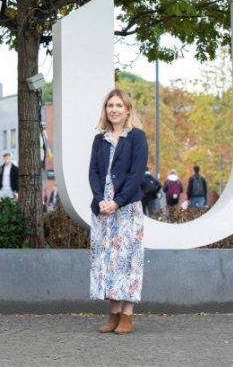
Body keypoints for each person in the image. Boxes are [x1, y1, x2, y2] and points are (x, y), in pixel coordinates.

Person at [89, 88, 147, 335]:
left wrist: (118, 201)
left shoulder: (137, 137)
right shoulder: (99, 139)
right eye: (110, 105)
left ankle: (127, 315)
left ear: (127, 110)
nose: (114, 109)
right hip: (104, 211)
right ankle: (113, 313)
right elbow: (93, 172)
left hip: (127, 210)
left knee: (128, 261)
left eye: (118, 106)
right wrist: (101, 199)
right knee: (108, 262)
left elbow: (136, 174)